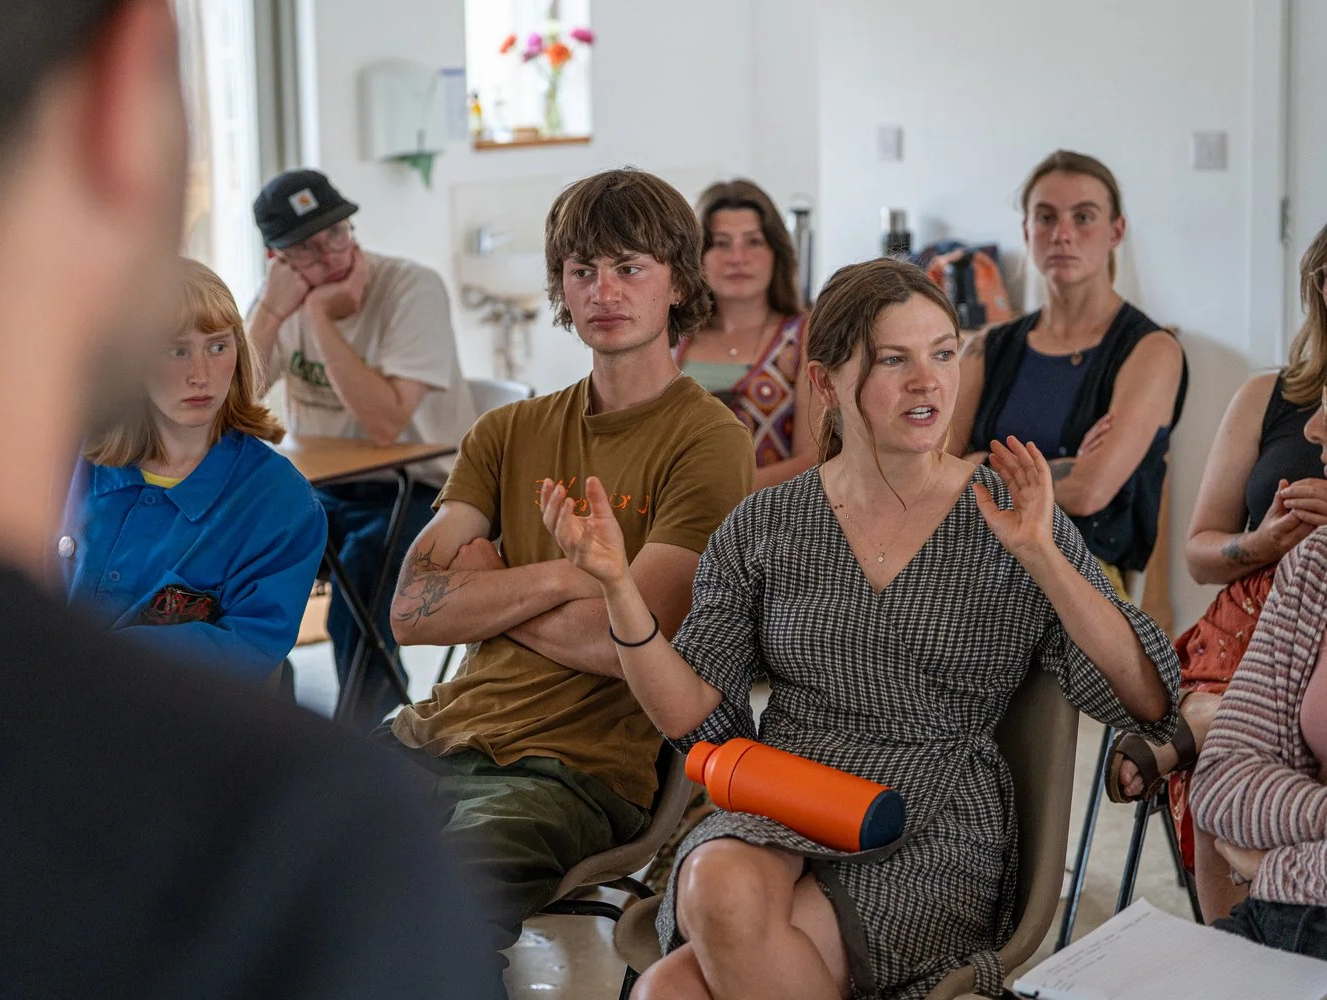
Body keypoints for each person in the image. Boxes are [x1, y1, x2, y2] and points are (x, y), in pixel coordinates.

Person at [0, 3, 491, 996]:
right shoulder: (290, 856)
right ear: (122, 99)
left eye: (211, 344)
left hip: (389, 489)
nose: (197, 366)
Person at [542, 258, 1179, 1000]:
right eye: (894, 360)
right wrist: (620, 590)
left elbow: (1146, 697)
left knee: (666, 993)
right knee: (711, 889)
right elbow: (698, 721)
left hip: (934, 822)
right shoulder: (766, 523)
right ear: (825, 383)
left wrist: (1044, 556)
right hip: (787, 793)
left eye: (943, 354)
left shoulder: (1012, 513)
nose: (928, 382)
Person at [386, 168, 755, 969]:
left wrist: (496, 582)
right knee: (264, 859)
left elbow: (632, 648)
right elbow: (412, 611)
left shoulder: (708, 441)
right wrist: (567, 577)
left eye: (631, 268)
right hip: (435, 732)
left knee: (423, 919)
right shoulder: (506, 431)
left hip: (574, 771)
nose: (604, 290)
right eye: (583, 269)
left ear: (677, 284)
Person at [1103, 221, 1327, 922]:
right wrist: (1262, 542)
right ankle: (1232, 944)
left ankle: (1200, 736)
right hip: (1254, 612)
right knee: (1232, 742)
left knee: (1238, 742)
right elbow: (1201, 554)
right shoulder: (1269, 397)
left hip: (1317, 619)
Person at [246, 168, 477, 722]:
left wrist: (320, 319)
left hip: (430, 487)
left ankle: (365, 743)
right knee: (241, 553)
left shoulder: (410, 287)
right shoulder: (280, 297)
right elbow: (233, 397)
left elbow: (385, 424)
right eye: (306, 249)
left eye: (338, 234)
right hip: (330, 487)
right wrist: (273, 312)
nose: (331, 257)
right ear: (277, 259)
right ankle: (271, 724)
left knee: (364, 567)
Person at [62, 257, 326, 683]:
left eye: (218, 346)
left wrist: (99, 657)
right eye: (175, 350)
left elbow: (252, 646)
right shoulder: (71, 463)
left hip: (181, 723)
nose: (200, 375)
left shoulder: (282, 503)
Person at [950, 150, 1187, 600]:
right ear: (1026, 231)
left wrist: (980, 462)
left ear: (1116, 230)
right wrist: (1060, 466)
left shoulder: (1152, 350)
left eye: (1083, 217)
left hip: (1078, 572)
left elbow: (1088, 491)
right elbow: (931, 472)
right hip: (971, 558)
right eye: (1045, 217)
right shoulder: (986, 346)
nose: (1062, 234)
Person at [1190, 384, 1327, 958]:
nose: (1313, 430)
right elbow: (1219, 782)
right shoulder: (1316, 564)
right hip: (1283, 922)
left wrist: (1272, 867)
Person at [677, 179, 815, 491]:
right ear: (697, 256)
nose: (737, 258)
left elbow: (813, 462)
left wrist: (716, 495)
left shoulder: (807, 336)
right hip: (676, 525)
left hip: (772, 525)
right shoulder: (672, 337)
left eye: (753, 242)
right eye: (721, 243)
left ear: (776, 252)